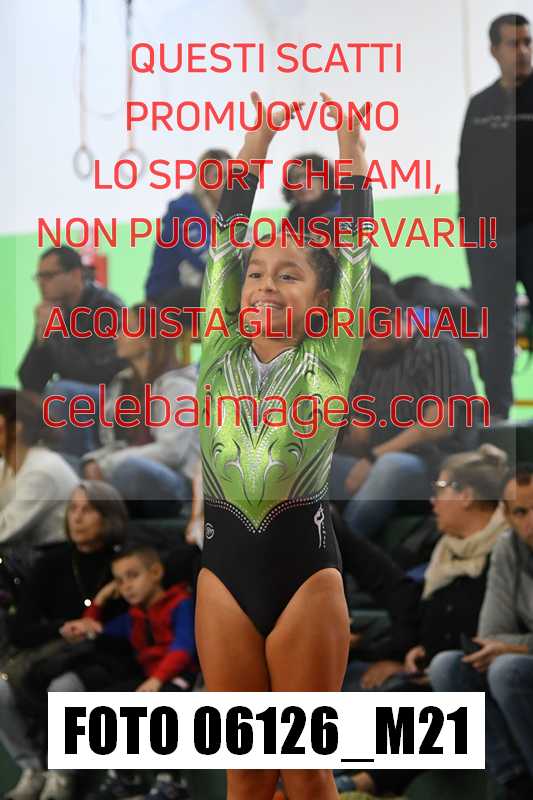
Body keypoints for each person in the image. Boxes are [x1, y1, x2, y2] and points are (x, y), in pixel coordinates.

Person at [189, 90, 372, 800]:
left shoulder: (329, 357)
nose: (266, 285)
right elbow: (225, 241)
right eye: (258, 275)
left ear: (321, 304)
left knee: (304, 770)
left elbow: (354, 251)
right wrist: (255, 144)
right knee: (246, 772)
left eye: (288, 275)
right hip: (223, 573)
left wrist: (352, 157)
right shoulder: (217, 348)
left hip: (304, 573)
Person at [338, 444, 509, 798]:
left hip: (473, 679)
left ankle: (364, 782)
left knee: (414, 699)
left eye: (441, 489)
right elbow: (426, 614)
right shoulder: (445, 551)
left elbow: (486, 631)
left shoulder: (505, 554)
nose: (433, 501)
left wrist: (432, 660)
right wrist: (415, 651)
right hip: (426, 672)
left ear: (466, 496)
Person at [0, 480, 130, 800]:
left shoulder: (125, 563)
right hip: (49, 655)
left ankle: (62, 776)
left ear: (109, 517)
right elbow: (21, 630)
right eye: (73, 509)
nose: (77, 517)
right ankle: (33, 769)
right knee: (1, 688)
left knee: (64, 687)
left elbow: (134, 629)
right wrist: (62, 628)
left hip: (101, 657)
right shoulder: (51, 563)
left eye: (88, 510)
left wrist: (94, 629)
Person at [330, 282, 479, 541]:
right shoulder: (368, 360)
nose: (362, 346)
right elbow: (361, 435)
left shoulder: (437, 347)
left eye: (366, 337)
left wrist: (374, 458)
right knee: (308, 464)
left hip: (436, 462)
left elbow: (439, 424)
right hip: (374, 458)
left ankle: (343, 551)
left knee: (390, 466)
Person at [429, 463, 533, 800]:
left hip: (519, 665)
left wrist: (515, 648)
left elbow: (502, 644)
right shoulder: (508, 547)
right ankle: (516, 783)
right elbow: (492, 634)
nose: (530, 522)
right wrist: (508, 647)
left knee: (507, 669)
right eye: (520, 512)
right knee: (446, 666)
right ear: (507, 514)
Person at [458, 14, 533, 418]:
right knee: (494, 326)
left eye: (527, 42)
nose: (522, 51)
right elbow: (465, 168)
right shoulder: (480, 105)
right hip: (489, 236)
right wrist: (467, 226)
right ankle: (499, 411)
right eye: (512, 43)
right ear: (493, 50)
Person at [81, 544, 196, 800]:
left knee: (161, 705)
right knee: (106, 701)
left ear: (156, 573)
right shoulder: (133, 616)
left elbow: (183, 648)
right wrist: (99, 601)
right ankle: (126, 777)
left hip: (181, 676)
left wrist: (158, 678)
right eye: (119, 581)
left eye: (133, 576)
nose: (126, 587)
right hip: (150, 680)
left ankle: (171, 782)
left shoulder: (181, 603)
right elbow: (94, 629)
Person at [81, 301, 200, 517]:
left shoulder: (179, 386)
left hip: (178, 482)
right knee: (72, 467)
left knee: (130, 470)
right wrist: (93, 461)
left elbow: (171, 452)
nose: (116, 335)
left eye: (126, 329)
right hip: (130, 467)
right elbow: (117, 444)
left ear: (147, 340)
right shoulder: (123, 383)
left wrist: (107, 464)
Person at [18, 245, 126, 455]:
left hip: (113, 397)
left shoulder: (106, 308)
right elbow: (30, 382)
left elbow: (95, 374)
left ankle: (69, 464)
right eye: (39, 277)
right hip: (73, 392)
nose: (41, 283)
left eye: (49, 276)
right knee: (13, 400)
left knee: (62, 392)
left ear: (76, 275)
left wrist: (55, 332)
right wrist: (41, 338)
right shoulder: (56, 310)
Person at [145, 149, 231, 301]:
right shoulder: (185, 212)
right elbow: (207, 260)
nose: (228, 182)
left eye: (232, 176)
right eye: (220, 176)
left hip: (188, 293)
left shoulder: (222, 213)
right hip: (164, 299)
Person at [0, 390, 78, 548]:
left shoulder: (42, 471)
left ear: (16, 428)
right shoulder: (5, 467)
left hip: (57, 556)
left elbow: (5, 530)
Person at [283, 152, 340, 233]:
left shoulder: (342, 211)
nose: (301, 183)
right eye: (295, 178)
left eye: (309, 177)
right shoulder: (293, 215)